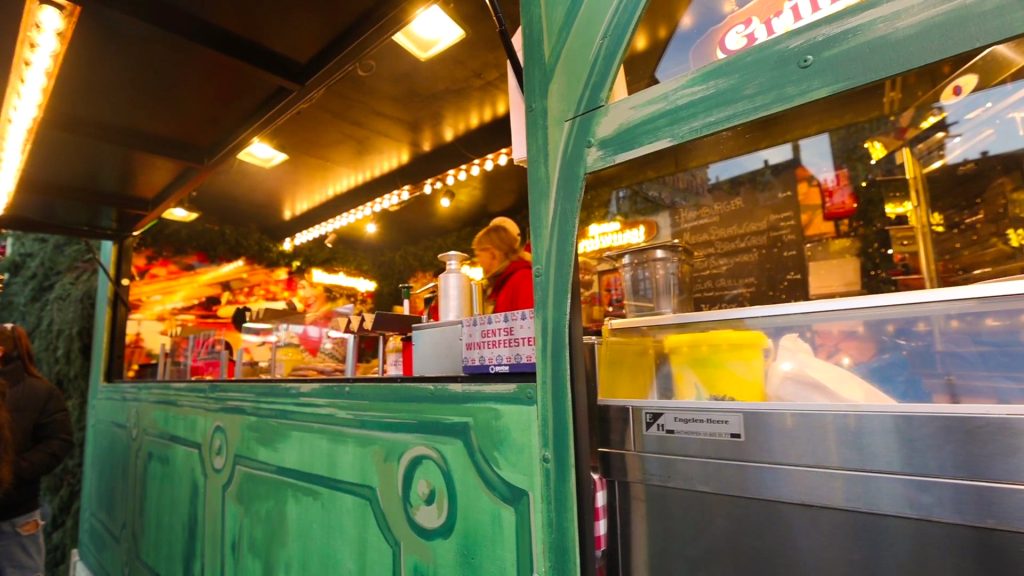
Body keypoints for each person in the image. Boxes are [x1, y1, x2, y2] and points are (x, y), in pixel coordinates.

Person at [0, 324, 73, 575]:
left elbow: (58, 441)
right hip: (20, 513)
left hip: (16, 515)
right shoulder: (44, 390)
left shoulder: (40, 392)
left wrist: (12, 470)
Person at [473, 224, 534, 313]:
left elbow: (531, 320)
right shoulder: (501, 284)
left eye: (478, 255)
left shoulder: (523, 279)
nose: (479, 262)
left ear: (492, 254)